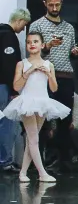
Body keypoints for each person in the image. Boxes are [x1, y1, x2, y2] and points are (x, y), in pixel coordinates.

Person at [5, 31, 70, 183]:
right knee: (34, 139)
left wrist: (49, 74)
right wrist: (27, 73)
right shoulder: (22, 64)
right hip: (27, 102)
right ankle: (42, 173)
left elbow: (53, 89)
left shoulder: (49, 64)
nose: (32, 44)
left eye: (35, 41)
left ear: (42, 45)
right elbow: (16, 85)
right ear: (27, 46)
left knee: (32, 140)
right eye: (29, 42)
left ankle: (23, 173)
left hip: (42, 102)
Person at [29, 0, 78, 169]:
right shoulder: (37, 26)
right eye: (51, 5)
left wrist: (75, 53)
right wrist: (47, 46)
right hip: (44, 76)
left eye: (57, 4)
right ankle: (40, 161)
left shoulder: (69, 28)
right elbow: (33, 52)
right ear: (44, 4)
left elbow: (71, 52)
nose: (54, 8)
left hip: (65, 76)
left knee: (65, 118)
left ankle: (64, 159)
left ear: (61, 3)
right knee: (43, 119)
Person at [0, 8, 30, 172]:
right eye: (24, 25)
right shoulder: (9, 37)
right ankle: (4, 161)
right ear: (19, 20)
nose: (23, 29)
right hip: (3, 87)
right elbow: (9, 65)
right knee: (6, 122)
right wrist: (14, 89)